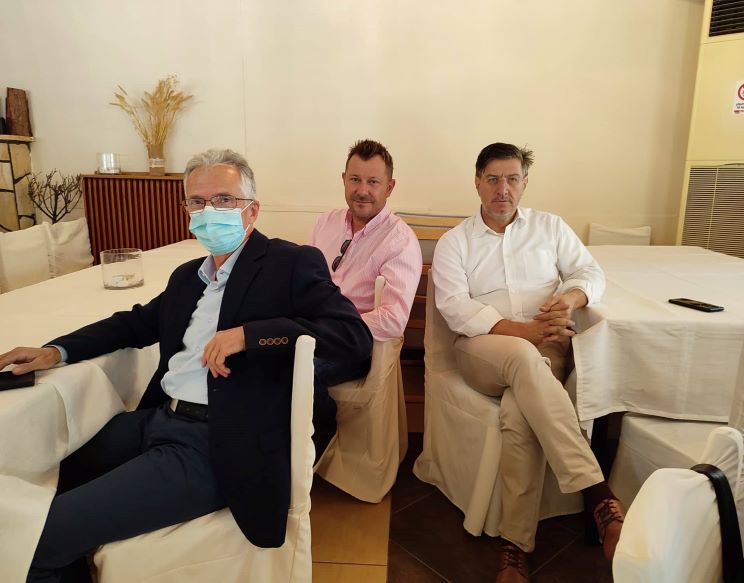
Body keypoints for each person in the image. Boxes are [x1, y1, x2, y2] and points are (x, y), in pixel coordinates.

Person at [0, 148, 373, 583]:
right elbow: (133, 324)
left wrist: (251, 335)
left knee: (38, 538)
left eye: (224, 200)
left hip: (217, 441)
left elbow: (353, 337)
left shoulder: (288, 263)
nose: (209, 211)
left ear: (252, 210)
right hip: (158, 420)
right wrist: (56, 351)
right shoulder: (186, 277)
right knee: (41, 472)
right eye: (197, 201)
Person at [432, 142, 625, 583]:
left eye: (512, 179)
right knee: (522, 356)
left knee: (519, 415)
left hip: (545, 351)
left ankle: (515, 547)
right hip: (482, 349)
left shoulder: (550, 227)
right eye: (493, 179)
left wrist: (570, 299)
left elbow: (590, 273)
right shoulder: (455, 242)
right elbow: (456, 309)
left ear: (524, 183)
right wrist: (525, 333)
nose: (503, 189)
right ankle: (598, 496)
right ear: (477, 182)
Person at [309, 139, 422, 452]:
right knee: (260, 354)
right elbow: (305, 280)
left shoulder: (400, 241)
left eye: (373, 182)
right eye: (355, 179)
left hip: (356, 344)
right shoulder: (326, 222)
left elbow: (393, 320)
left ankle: (319, 441)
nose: (362, 190)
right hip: (310, 328)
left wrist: (332, 328)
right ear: (343, 180)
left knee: (297, 369)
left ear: (390, 187)